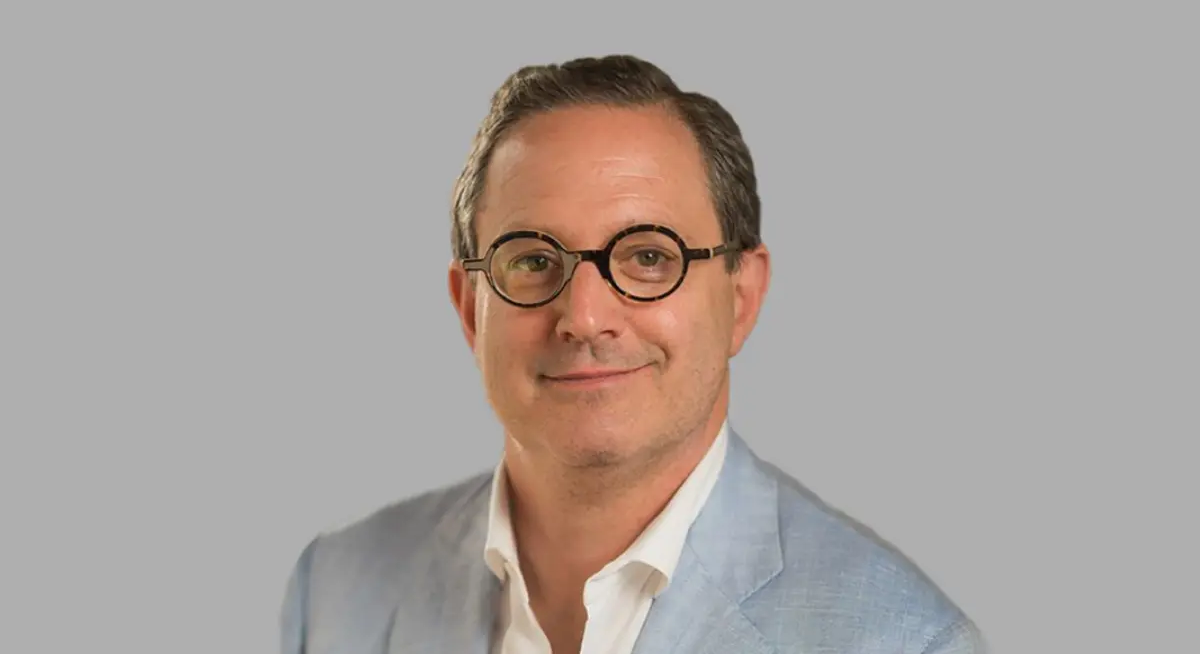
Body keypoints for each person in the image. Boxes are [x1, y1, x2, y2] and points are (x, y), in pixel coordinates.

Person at [280, 54, 985, 654]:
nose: (584, 316)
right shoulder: (335, 591)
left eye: (649, 256)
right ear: (471, 308)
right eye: (532, 260)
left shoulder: (905, 642)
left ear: (742, 296)